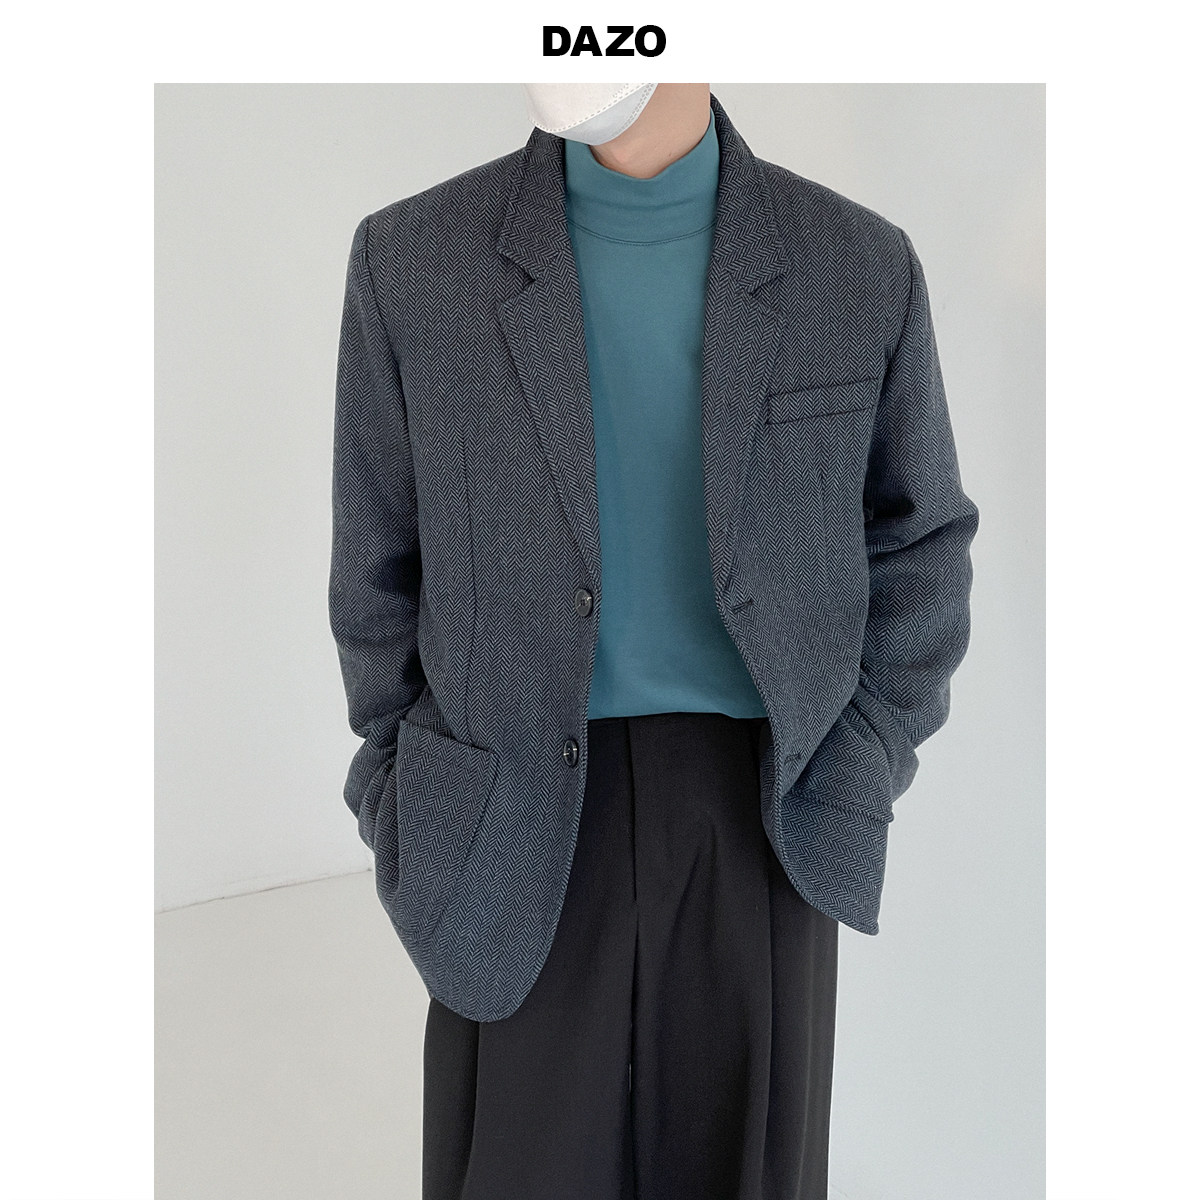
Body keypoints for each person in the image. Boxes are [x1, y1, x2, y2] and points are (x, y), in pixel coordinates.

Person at [328, 83, 979, 1199]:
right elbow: (376, 571)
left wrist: (861, 755)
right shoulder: (414, 261)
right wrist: (404, 798)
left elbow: (920, 540)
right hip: (506, 817)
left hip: (766, 815)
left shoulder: (857, 264)